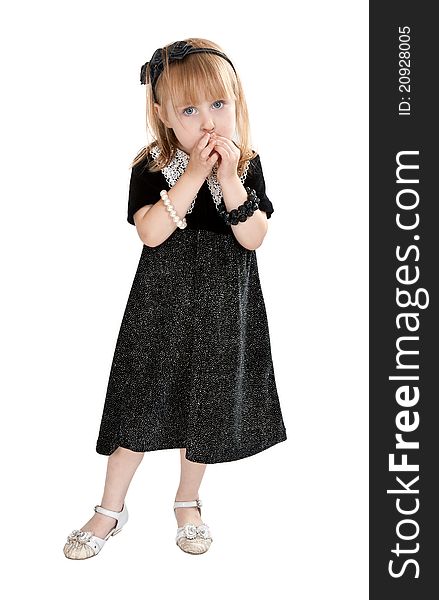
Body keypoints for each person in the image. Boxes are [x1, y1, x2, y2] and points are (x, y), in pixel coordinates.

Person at [63, 37, 287, 560]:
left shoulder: (247, 165)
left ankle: (188, 501)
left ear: (237, 103)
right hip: (160, 309)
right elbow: (152, 232)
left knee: (203, 410)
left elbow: (253, 236)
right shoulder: (153, 166)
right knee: (139, 408)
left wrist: (227, 178)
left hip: (222, 312)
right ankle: (110, 508)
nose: (207, 121)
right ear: (163, 114)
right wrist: (193, 175)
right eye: (189, 109)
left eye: (218, 105)